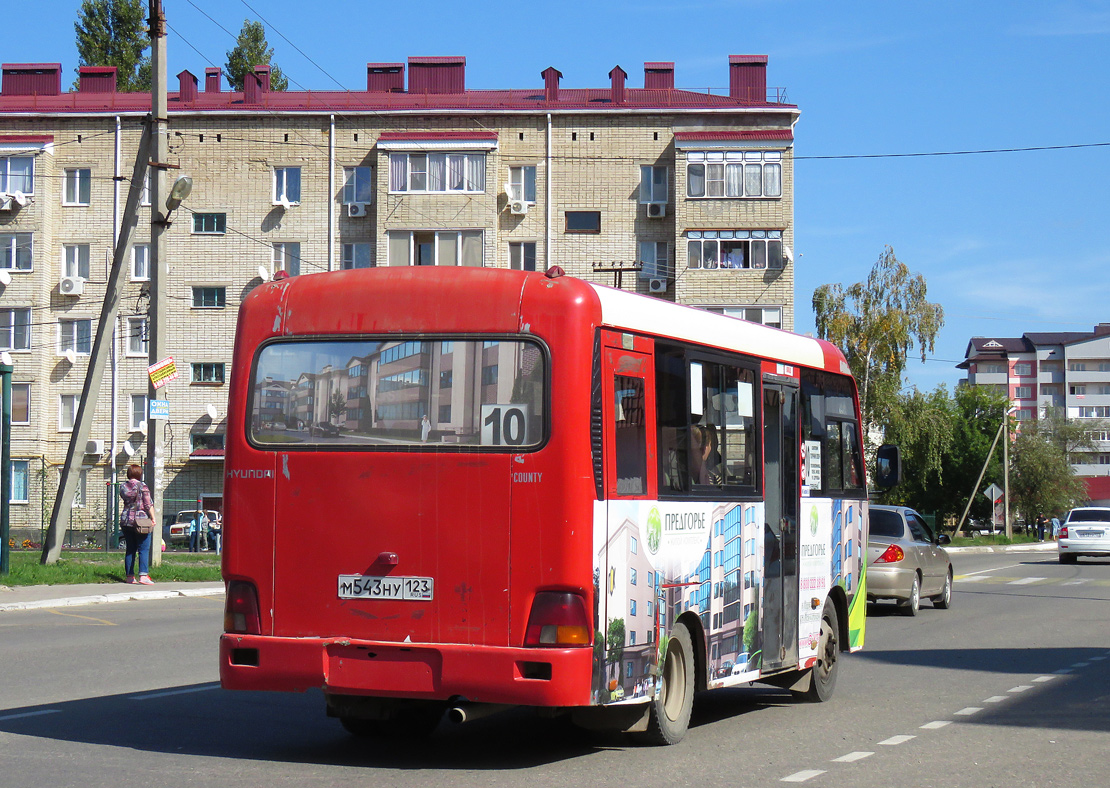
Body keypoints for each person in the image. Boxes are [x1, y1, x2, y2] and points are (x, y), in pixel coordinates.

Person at [119, 464, 155, 585]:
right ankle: (143, 575)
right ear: (140, 474)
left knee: (130, 549)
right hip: (141, 521)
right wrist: (153, 518)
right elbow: (148, 504)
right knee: (143, 548)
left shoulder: (123, 486)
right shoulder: (142, 486)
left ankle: (130, 576)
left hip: (126, 520)